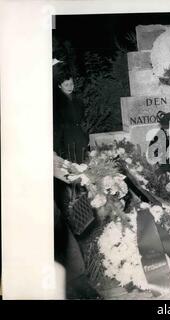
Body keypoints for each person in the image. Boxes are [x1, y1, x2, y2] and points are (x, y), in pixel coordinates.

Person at [53, 64, 102, 299]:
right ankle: (77, 219)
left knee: (81, 185)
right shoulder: (57, 104)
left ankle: (84, 217)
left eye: (72, 81)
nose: (70, 84)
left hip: (78, 139)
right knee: (72, 187)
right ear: (59, 85)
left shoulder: (75, 100)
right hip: (66, 145)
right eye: (66, 82)